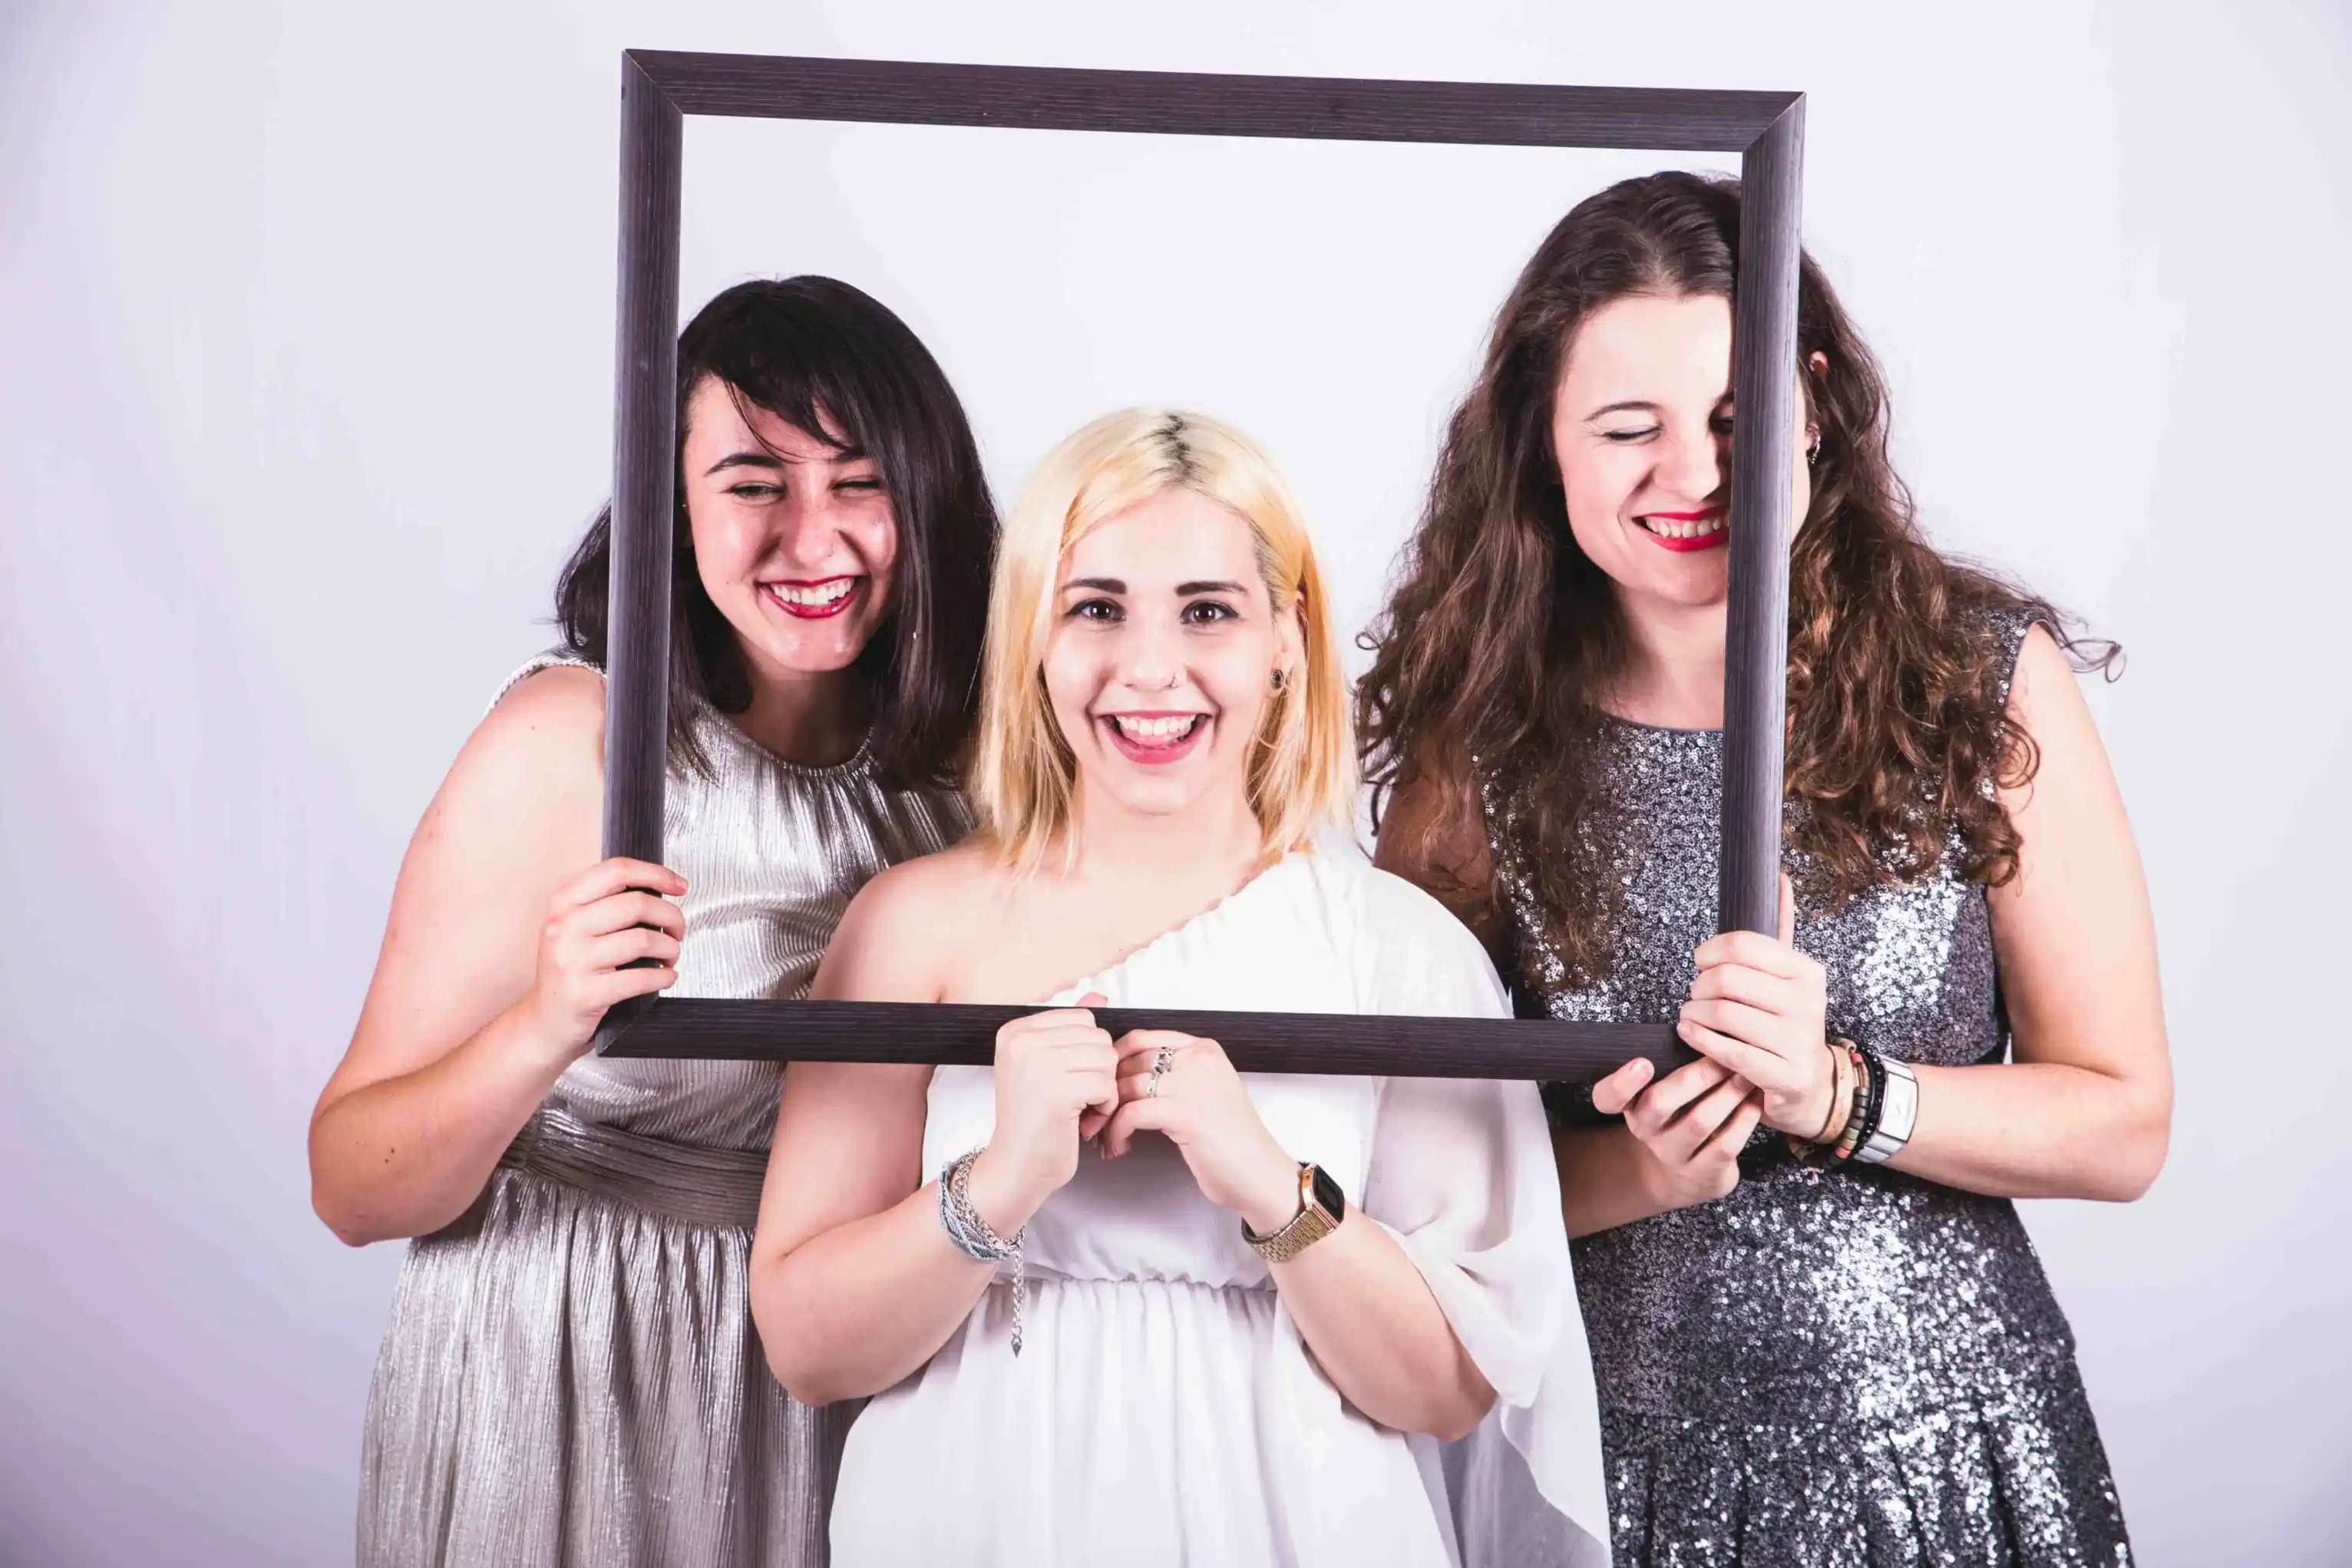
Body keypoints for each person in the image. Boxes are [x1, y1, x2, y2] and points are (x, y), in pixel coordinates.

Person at [1359, 171, 2169, 1566]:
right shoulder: (1479, 742)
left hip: (1948, 1457)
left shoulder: (1978, 681)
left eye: (1737, 420)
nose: (1695, 476)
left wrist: (1843, 1096)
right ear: (1541, 441)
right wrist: (1636, 1168)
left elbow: (2123, 1121)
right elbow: (1410, 1193)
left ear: (1811, 403)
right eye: (1630, 428)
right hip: (1615, 1474)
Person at [748, 409, 1605, 1567]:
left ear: (1285, 640)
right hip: (973, 1518)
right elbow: (806, 1344)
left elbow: (1451, 1388)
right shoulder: (911, 928)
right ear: (1034, 639)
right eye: (1096, 607)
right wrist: (1000, 1182)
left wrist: (1266, 1182)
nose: (1150, 668)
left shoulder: (1402, 949)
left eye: (1207, 610)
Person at [308, 276, 997, 1567]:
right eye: (753, 484)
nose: (814, 535)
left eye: (860, 482)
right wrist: (541, 1023)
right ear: (674, 508)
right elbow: (349, 1184)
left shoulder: (974, 779)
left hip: (849, 1378)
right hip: (562, 1363)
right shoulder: (573, 737)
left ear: (929, 498)